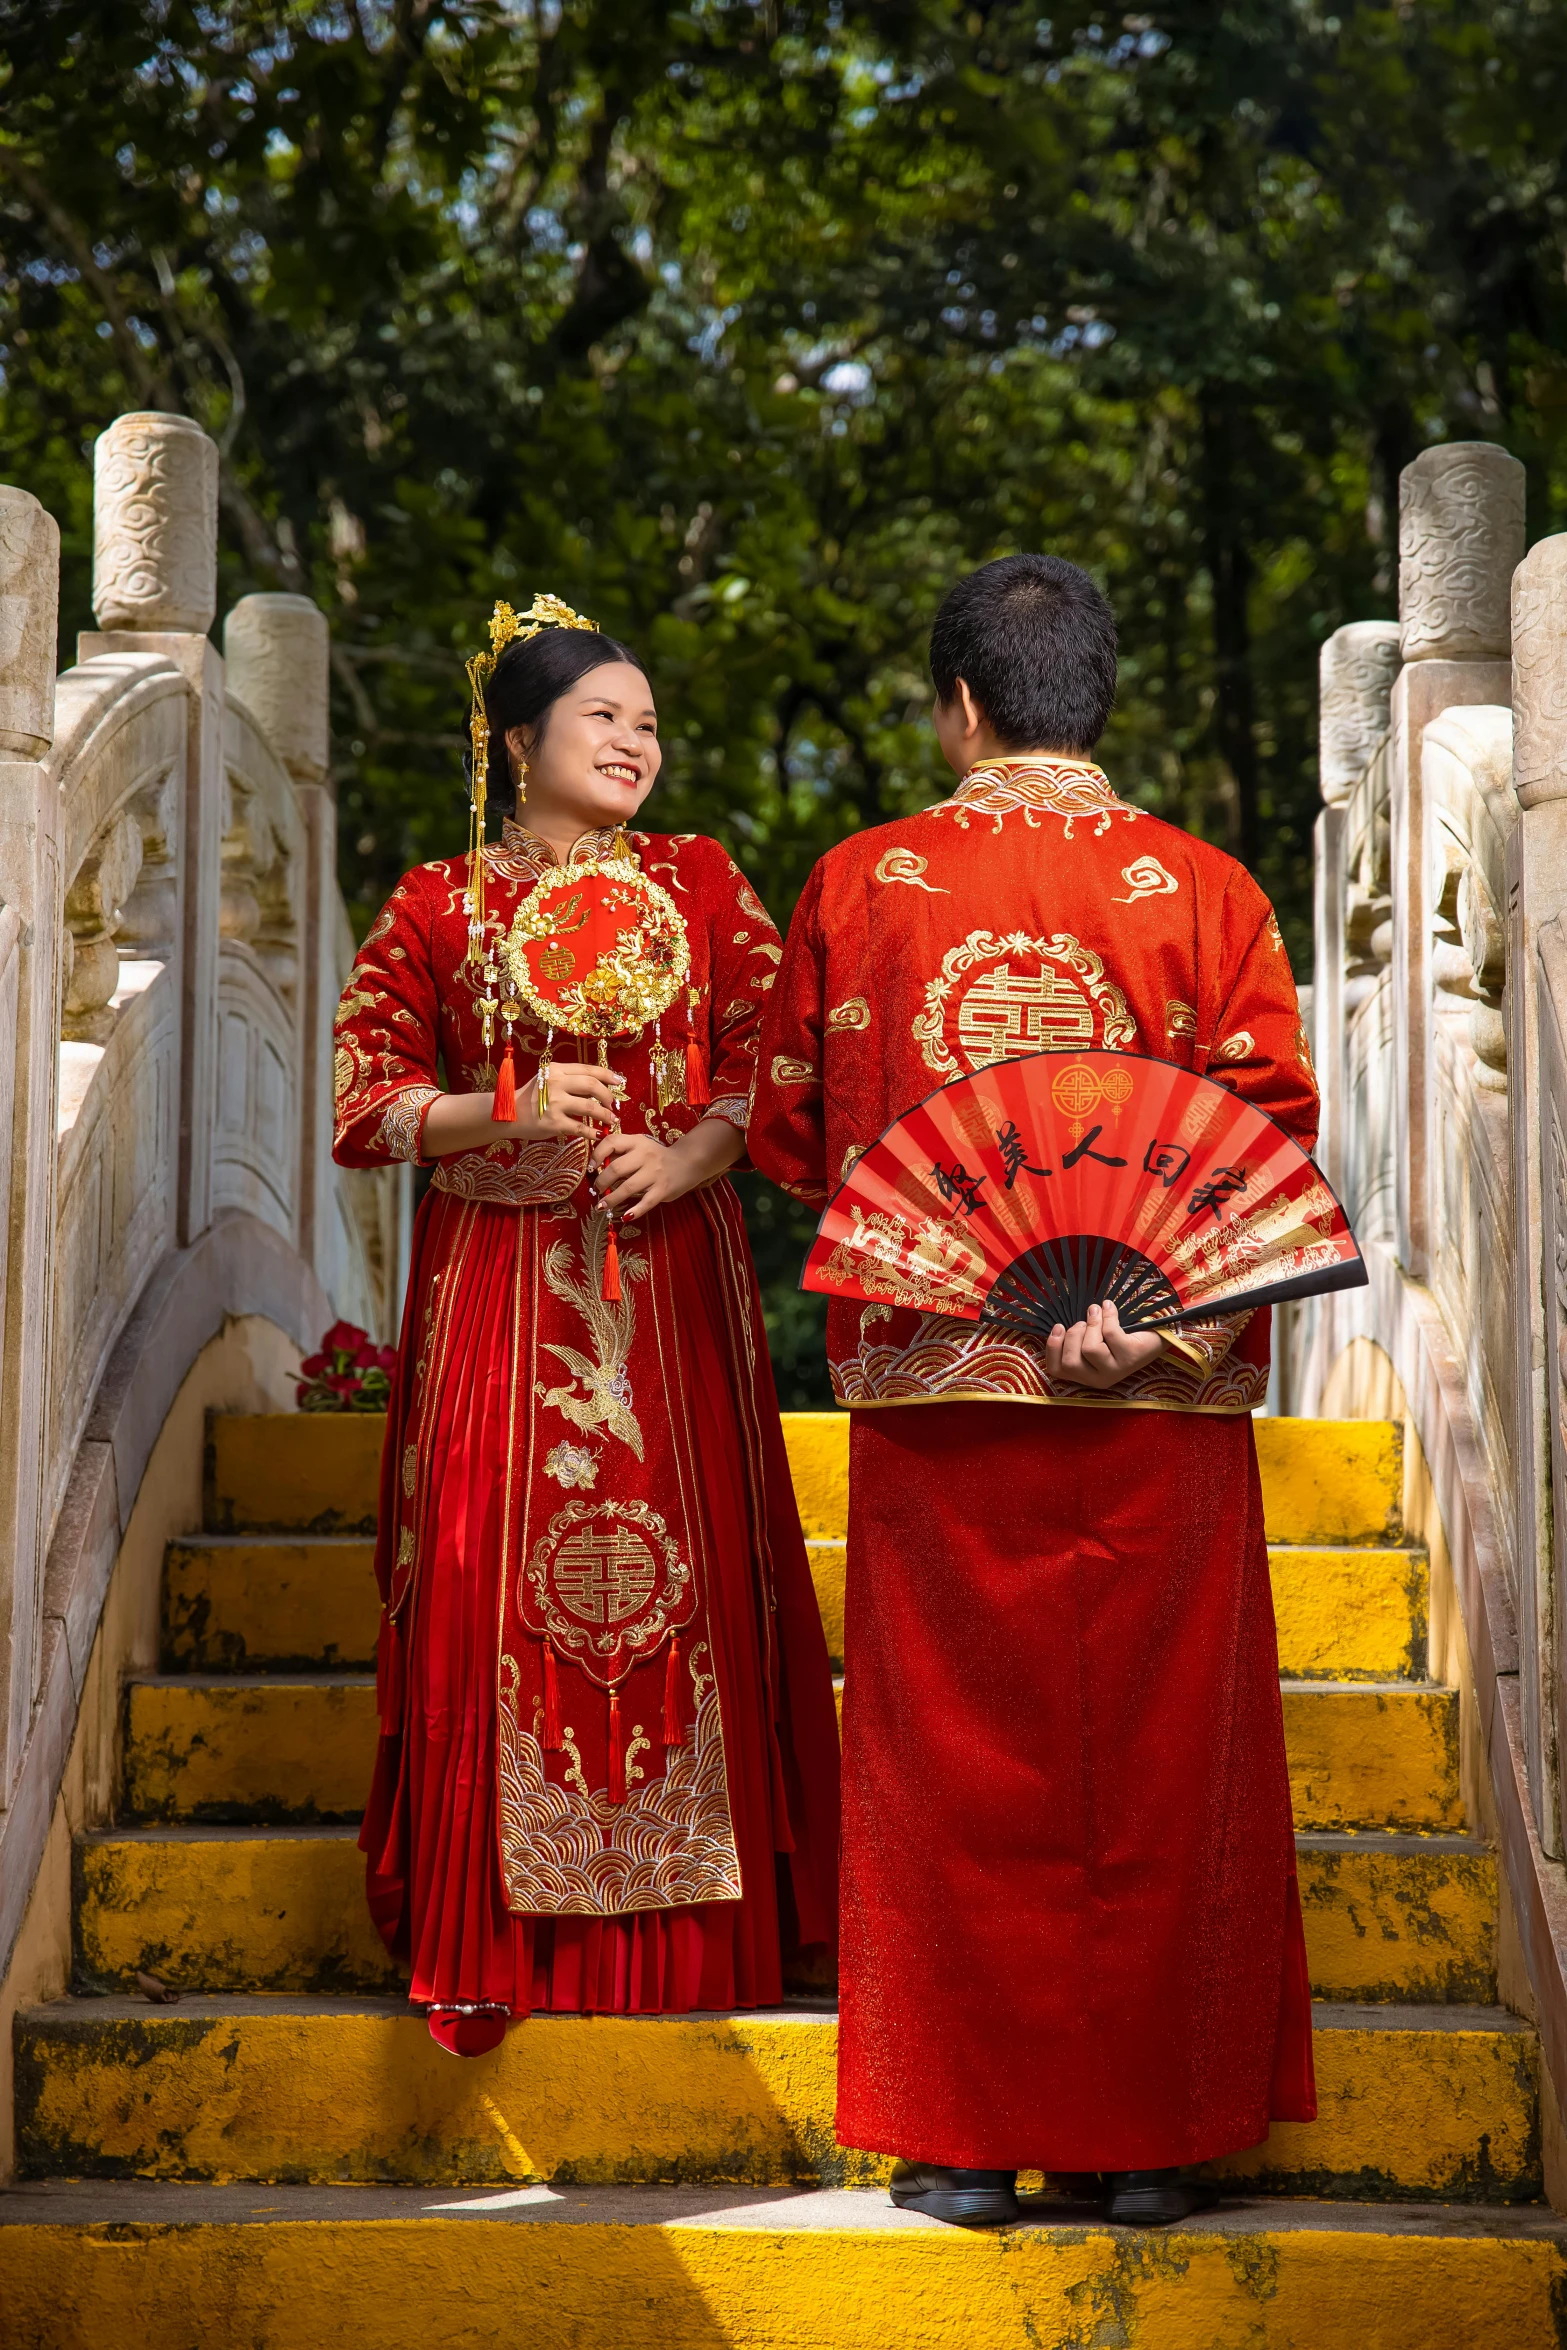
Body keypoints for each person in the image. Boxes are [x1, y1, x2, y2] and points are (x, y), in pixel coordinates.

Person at [748, 553, 1318, 2226]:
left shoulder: (865, 877)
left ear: (962, 707)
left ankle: (952, 2136)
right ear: (1093, 699)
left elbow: (794, 1128)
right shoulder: (1205, 888)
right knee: (1154, 1761)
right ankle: (1150, 2142)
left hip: (943, 1383)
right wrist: (1150, 1316)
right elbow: (1269, 1134)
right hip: (1158, 1385)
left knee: (954, 1762)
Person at [333, 596, 839, 2055]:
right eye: (603, 716)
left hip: (667, 1282)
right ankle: (487, 1938)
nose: (636, 742)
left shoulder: (700, 881)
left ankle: (699, 1942)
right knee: (497, 1584)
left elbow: (776, 1062)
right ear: (517, 740)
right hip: (495, 1284)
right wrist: (509, 1106)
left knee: (679, 1587)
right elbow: (365, 1106)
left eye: (649, 722)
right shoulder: (438, 904)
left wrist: (685, 1156)